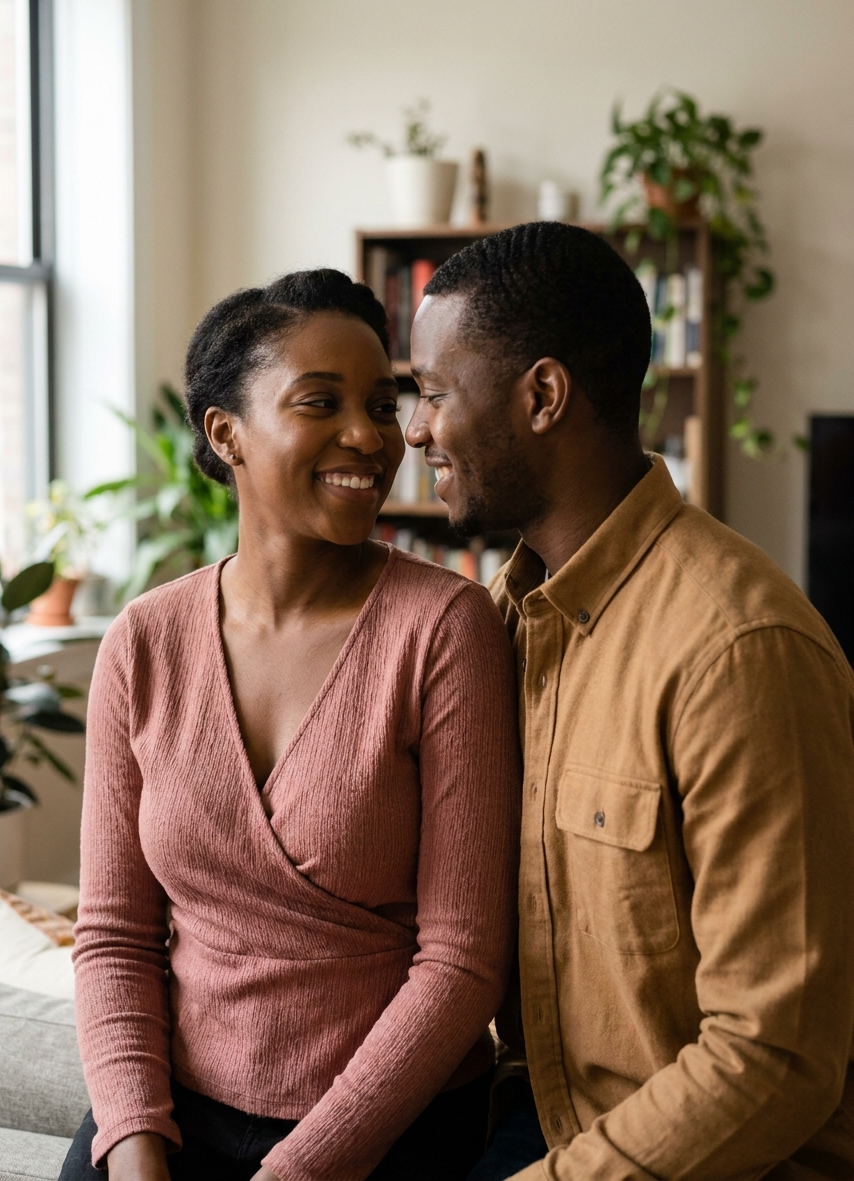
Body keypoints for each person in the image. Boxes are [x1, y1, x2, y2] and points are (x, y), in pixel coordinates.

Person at [405, 222, 854, 1181]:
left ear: (543, 396)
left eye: (435, 394)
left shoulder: (739, 651)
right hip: (529, 1120)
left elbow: (774, 1059)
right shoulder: (491, 627)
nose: (414, 428)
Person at [60, 269, 522, 1181]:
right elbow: (114, 933)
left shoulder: (444, 630)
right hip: (174, 1117)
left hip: (387, 1124)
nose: (370, 436)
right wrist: (136, 1142)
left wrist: (302, 1168)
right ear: (225, 433)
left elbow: (465, 961)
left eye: (383, 405)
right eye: (321, 403)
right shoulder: (142, 644)